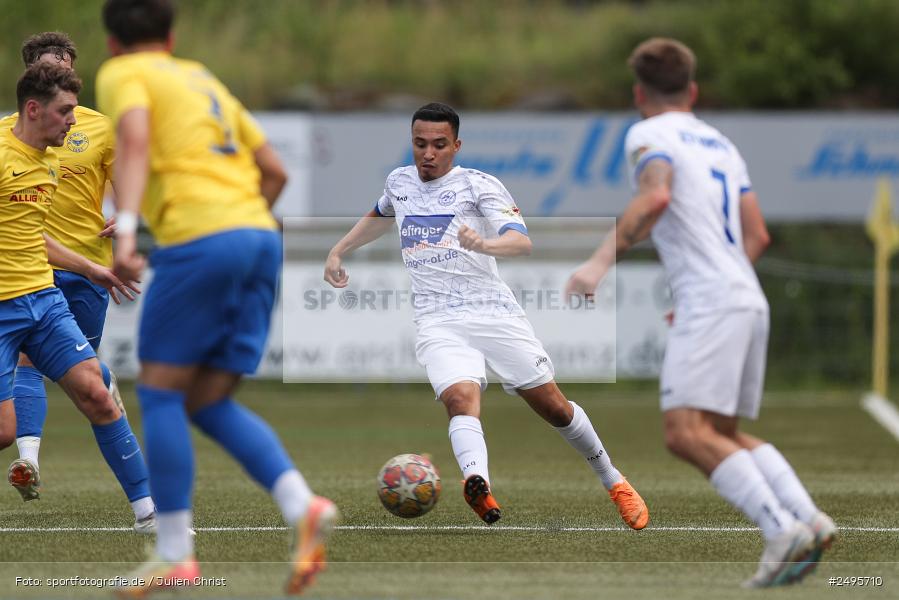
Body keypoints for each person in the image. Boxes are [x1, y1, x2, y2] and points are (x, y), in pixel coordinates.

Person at [565, 38, 836, 588]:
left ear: (639, 93)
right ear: (692, 90)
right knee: (720, 430)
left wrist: (596, 264)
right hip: (745, 294)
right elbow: (757, 234)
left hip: (713, 300)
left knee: (684, 433)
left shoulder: (648, 134)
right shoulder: (721, 143)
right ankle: (808, 517)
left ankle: (780, 529)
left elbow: (656, 197)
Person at [96, 0, 336, 595]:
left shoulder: (125, 73)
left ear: (111, 42)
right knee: (205, 399)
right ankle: (301, 504)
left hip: (201, 240)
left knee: (158, 390)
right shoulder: (201, 75)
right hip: (259, 236)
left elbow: (133, 139)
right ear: (172, 34)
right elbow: (274, 171)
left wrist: (125, 231)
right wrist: (240, 228)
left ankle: (176, 553)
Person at [325, 102, 649, 530]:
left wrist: (484, 245)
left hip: (493, 314)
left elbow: (520, 242)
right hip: (437, 319)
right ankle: (478, 481)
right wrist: (338, 250)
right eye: (420, 144)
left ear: (456, 145)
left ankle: (615, 481)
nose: (428, 153)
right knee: (460, 399)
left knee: (554, 408)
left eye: (439, 145)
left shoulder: (478, 186)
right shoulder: (399, 181)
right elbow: (380, 214)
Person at [0, 33, 155, 530]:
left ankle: (149, 515)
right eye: (66, 110)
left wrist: (94, 268)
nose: (74, 120)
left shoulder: (48, 156)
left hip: (45, 299)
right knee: (5, 430)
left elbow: (35, 237)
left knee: (95, 392)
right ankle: (26, 453)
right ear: (32, 107)